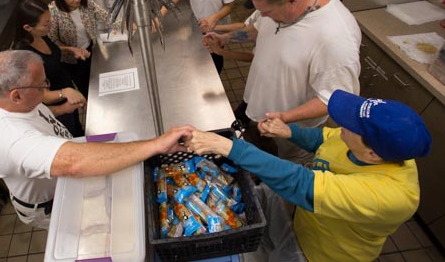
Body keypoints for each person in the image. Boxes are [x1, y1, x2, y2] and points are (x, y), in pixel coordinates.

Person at [185, 89, 432, 262]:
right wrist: (288, 131)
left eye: (351, 125)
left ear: (372, 154)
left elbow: (300, 183)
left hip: (321, 253)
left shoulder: (390, 195)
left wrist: (229, 147)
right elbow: (322, 139)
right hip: (305, 220)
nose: (341, 124)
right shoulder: (365, 143)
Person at [0, 50, 191, 228]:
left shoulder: (0, 94)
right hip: (50, 203)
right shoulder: (8, 138)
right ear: (16, 95)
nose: (47, 88)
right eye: (42, 85)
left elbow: (36, 113)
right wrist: (156, 144)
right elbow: (72, 162)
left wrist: (61, 107)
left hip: (65, 182)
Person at [204, 0, 361, 165]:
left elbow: (334, 100)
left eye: (267, 12)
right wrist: (227, 39)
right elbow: (257, 30)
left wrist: (285, 118)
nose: (262, 16)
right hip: (268, 109)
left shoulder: (336, 38)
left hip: (294, 127)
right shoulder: (280, 3)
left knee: (291, 162)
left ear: (292, 1)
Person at [14, 0, 86, 136]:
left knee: (79, 130)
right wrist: (65, 92)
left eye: (50, 20)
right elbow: (43, 96)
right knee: (71, 136)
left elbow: (51, 52)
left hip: (67, 98)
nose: (50, 26)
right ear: (28, 27)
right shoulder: (24, 55)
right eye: (46, 24)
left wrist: (70, 49)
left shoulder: (40, 35)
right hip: (57, 109)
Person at [48, 0, 112, 97]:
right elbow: (52, 42)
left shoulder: (86, 2)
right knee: (86, 89)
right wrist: (72, 50)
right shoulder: (54, 12)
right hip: (72, 61)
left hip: (91, 51)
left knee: (99, 83)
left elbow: (105, 16)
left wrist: (126, 24)